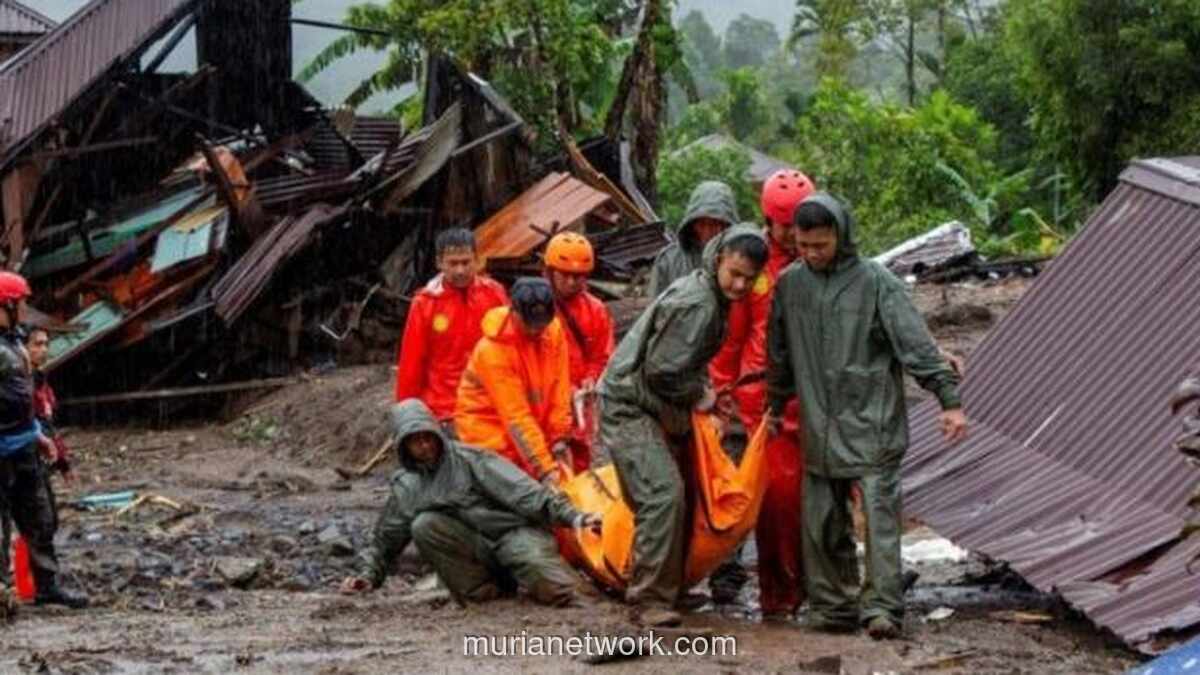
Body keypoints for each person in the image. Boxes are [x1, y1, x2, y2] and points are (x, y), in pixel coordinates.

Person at [766, 193, 967, 639]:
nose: (812, 254)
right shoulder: (790, 285)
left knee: (878, 520)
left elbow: (914, 344)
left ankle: (882, 609)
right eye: (804, 246)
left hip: (873, 420)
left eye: (820, 245)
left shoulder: (876, 283)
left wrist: (948, 401)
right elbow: (778, 355)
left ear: (841, 236)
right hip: (819, 424)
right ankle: (833, 606)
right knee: (821, 522)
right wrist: (775, 407)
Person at [598, 224, 768, 627]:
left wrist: (704, 391)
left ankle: (667, 588)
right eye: (735, 274)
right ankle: (648, 600)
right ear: (720, 258)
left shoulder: (711, 294)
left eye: (748, 279)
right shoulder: (700, 302)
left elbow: (683, 361)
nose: (740, 284)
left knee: (684, 494)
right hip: (630, 404)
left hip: (651, 402)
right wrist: (700, 396)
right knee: (663, 495)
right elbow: (662, 372)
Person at [341, 399, 601, 606]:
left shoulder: (472, 460)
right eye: (415, 441)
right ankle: (483, 593)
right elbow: (385, 541)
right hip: (475, 550)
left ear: (436, 434)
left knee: (559, 590)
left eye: (427, 437)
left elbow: (527, 494)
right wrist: (366, 577)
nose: (424, 446)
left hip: (512, 533)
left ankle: (589, 597)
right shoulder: (407, 487)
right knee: (424, 524)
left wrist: (574, 517)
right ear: (403, 447)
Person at [709, 169, 816, 617]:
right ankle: (779, 599)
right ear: (769, 221)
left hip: (816, 399)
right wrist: (720, 391)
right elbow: (732, 337)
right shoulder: (754, 264)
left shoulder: (820, 256)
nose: (794, 236)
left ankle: (824, 592)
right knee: (775, 503)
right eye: (787, 227)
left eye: (801, 226)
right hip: (763, 402)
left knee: (823, 500)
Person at [0, 272, 88, 608]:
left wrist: (38, 435)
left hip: (23, 444)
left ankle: (46, 585)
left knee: (40, 518)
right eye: (20, 302)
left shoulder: (15, 343)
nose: (24, 308)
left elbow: (24, 400)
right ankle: (5, 591)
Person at [455, 278, 573, 486]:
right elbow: (516, 417)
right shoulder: (492, 350)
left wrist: (559, 438)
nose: (537, 331)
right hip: (488, 437)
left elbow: (559, 389)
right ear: (513, 312)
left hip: (528, 431)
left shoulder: (552, 330)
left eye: (542, 325)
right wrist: (544, 469)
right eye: (531, 325)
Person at [394, 228, 508, 423]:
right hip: (444, 411)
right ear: (439, 262)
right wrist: (406, 415)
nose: (460, 270)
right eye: (453, 263)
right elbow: (411, 364)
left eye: (466, 262)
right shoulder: (425, 303)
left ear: (477, 260)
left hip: (491, 406)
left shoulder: (494, 293)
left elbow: (510, 347)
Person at [542, 232, 614, 470]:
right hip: (546, 397)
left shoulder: (596, 310)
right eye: (566, 275)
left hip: (579, 401)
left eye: (579, 277)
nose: (572, 282)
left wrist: (590, 379)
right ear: (550, 271)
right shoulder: (536, 305)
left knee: (581, 456)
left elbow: (601, 354)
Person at [647, 181, 739, 297]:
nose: (708, 231)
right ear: (691, 223)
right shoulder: (669, 261)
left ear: (728, 224)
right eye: (701, 224)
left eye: (715, 224)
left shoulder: (741, 260)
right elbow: (656, 310)